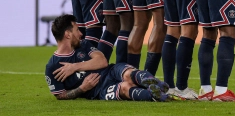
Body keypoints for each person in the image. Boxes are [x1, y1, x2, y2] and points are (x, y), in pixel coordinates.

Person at [44, 14, 172, 101]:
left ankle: (154, 83)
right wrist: (82, 88)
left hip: (110, 71)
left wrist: (74, 67)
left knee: (128, 74)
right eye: (77, 30)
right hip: (99, 90)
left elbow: (102, 61)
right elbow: (60, 95)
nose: (80, 33)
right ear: (67, 34)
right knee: (124, 88)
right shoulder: (52, 66)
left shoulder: (84, 45)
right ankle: (153, 94)